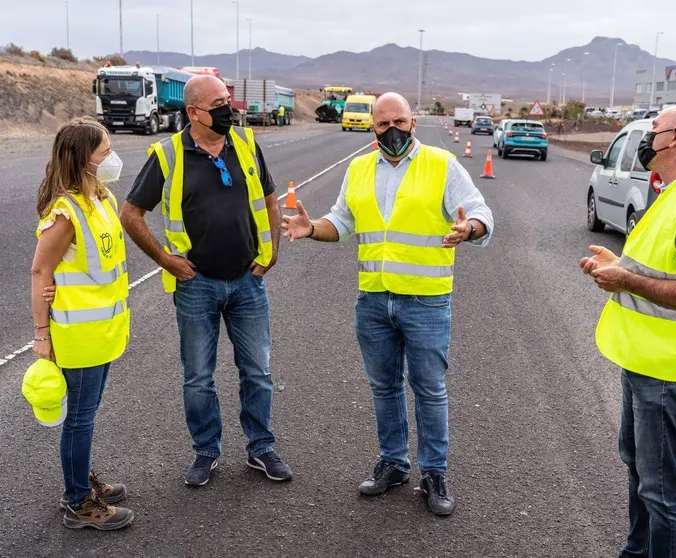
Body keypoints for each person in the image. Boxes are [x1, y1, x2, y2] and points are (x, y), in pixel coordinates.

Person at [281, 92, 494, 516]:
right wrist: (312, 228)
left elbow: (481, 212)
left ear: (412, 122)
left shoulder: (441, 164)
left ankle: (434, 472)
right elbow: (342, 221)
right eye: (383, 124)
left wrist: (468, 227)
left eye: (399, 121)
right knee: (384, 387)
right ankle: (394, 463)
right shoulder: (359, 168)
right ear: (372, 127)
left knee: (429, 390)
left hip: (426, 302)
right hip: (374, 300)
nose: (392, 130)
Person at [579, 106, 676, 558]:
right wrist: (620, 266)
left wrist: (625, 280)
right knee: (641, 471)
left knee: (662, 490)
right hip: (647, 360)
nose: (646, 139)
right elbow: (664, 267)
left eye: (653, 131)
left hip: (670, 367)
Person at [119, 74, 290, 487]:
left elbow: (268, 198)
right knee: (198, 375)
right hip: (197, 285)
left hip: (248, 281)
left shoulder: (246, 144)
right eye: (217, 103)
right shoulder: (168, 155)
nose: (226, 109)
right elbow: (130, 214)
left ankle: (261, 447)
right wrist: (165, 260)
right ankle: (206, 452)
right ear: (193, 112)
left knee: (258, 371)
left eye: (227, 101)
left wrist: (272, 253)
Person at [31, 117, 134, 530]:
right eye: (104, 152)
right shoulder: (65, 211)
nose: (111, 158)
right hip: (78, 335)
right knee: (79, 419)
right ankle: (77, 502)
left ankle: (80, 480)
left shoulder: (101, 198)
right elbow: (41, 271)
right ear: (81, 159)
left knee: (86, 415)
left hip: (103, 332)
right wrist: (41, 335)